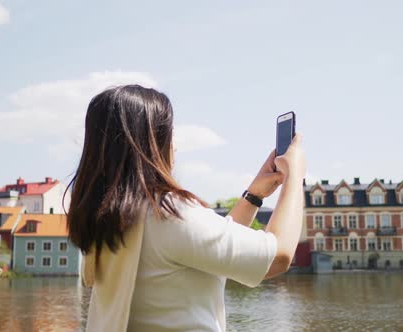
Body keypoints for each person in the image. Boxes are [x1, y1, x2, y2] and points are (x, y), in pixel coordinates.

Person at [66, 85, 306, 332]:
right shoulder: (168, 213)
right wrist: (295, 175)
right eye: (169, 134)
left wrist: (254, 195)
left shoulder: (109, 218)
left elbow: (204, 244)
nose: (175, 146)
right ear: (152, 142)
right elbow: (277, 257)